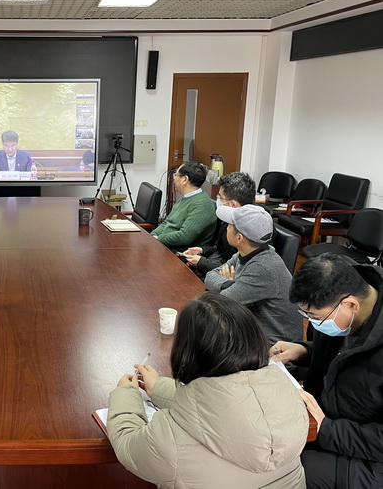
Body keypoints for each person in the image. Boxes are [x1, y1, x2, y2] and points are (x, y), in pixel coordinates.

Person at [107, 293, 308, 488]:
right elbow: (224, 405)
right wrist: (159, 388)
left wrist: (126, 394)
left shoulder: (171, 441)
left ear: (186, 354)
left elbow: (127, 445)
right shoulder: (290, 396)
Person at [271, 253, 383, 488]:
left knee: (284, 471)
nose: (312, 322)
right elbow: (344, 358)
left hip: (370, 457)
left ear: (351, 304)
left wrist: (327, 429)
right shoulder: (346, 293)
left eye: (314, 317)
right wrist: (305, 351)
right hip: (331, 420)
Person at [205, 204, 301, 344]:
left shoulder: (264, 267)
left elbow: (224, 300)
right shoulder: (247, 253)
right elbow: (210, 276)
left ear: (239, 238)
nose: (226, 228)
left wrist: (230, 288)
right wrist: (231, 284)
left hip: (273, 347)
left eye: (230, 225)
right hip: (251, 329)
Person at [184, 171, 256, 277]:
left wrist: (201, 262)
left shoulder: (251, 232)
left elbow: (234, 271)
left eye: (220, 197)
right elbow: (220, 248)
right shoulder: (227, 219)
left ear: (233, 204)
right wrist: (203, 250)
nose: (217, 199)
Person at [151, 162, 216, 252]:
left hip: (178, 253)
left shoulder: (202, 205)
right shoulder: (186, 197)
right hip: (164, 246)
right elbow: (167, 222)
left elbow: (185, 237)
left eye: (176, 175)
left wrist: (158, 238)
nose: (174, 178)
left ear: (185, 179)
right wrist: (153, 235)